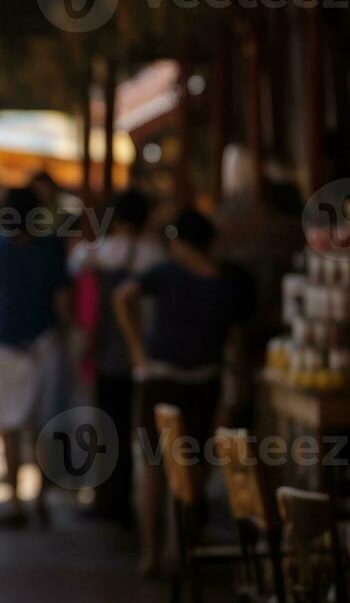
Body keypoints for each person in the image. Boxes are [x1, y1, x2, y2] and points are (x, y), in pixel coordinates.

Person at [114, 208, 251, 576]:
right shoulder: (222, 282)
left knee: (156, 468)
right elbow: (235, 343)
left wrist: (137, 350)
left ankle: (155, 553)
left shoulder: (171, 273)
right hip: (201, 381)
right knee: (187, 469)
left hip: (168, 378)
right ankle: (176, 550)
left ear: (182, 241)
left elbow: (123, 295)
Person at [0, 186, 72, 528]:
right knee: (42, 423)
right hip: (45, 345)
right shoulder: (50, 248)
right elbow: (63, 302)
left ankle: (15, 499)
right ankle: (39, 496)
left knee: (10, 425)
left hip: (8, 345)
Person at [69, 189, 164, 524]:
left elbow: (75, 264)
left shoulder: (97, 253)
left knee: (109, 429)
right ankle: (145, 505)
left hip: (108, 353)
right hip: (148, 355)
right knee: (148, 436)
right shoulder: (155, 255)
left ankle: (110, 498)